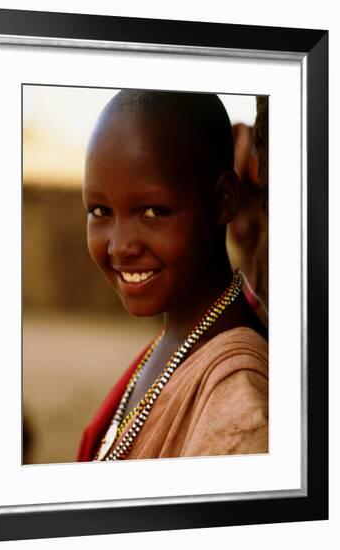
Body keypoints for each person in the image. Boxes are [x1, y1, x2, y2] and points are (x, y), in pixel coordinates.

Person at [77, 89, 268, 462]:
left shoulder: (237, 406)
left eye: (152, 212)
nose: (119, 246)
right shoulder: (178, 337)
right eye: (100, 211)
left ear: (223, 200)